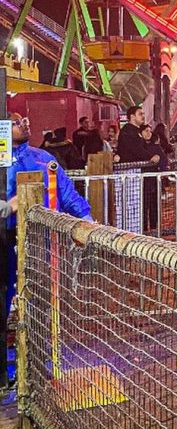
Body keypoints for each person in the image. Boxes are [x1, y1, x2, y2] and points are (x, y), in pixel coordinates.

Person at [5, 114, 92, 311]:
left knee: (40, 290)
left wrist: (86, 218)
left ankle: (38, 338)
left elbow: (67, 192)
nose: (25, 125)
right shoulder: (5, 163)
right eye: (16, 123)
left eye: (24, 120)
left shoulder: (43, 158)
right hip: (6, 236)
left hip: (39, 237)